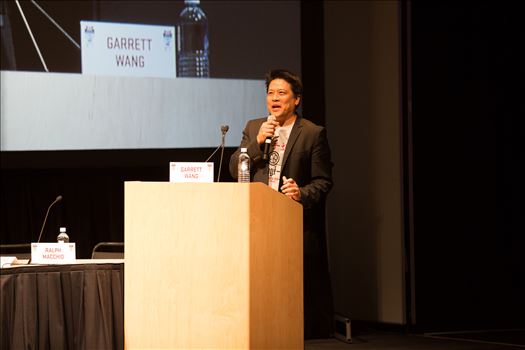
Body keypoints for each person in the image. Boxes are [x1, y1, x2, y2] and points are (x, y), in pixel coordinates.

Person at [229, 69, 334, 339]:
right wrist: (257, 142)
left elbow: (323, 182)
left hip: (293, 223)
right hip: (257, 218)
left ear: (296, 99)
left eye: (282, 93)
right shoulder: (254, 127)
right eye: (270, 93)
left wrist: (301, 192)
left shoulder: (312, 133)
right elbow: (233, 168)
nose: (274, 98)